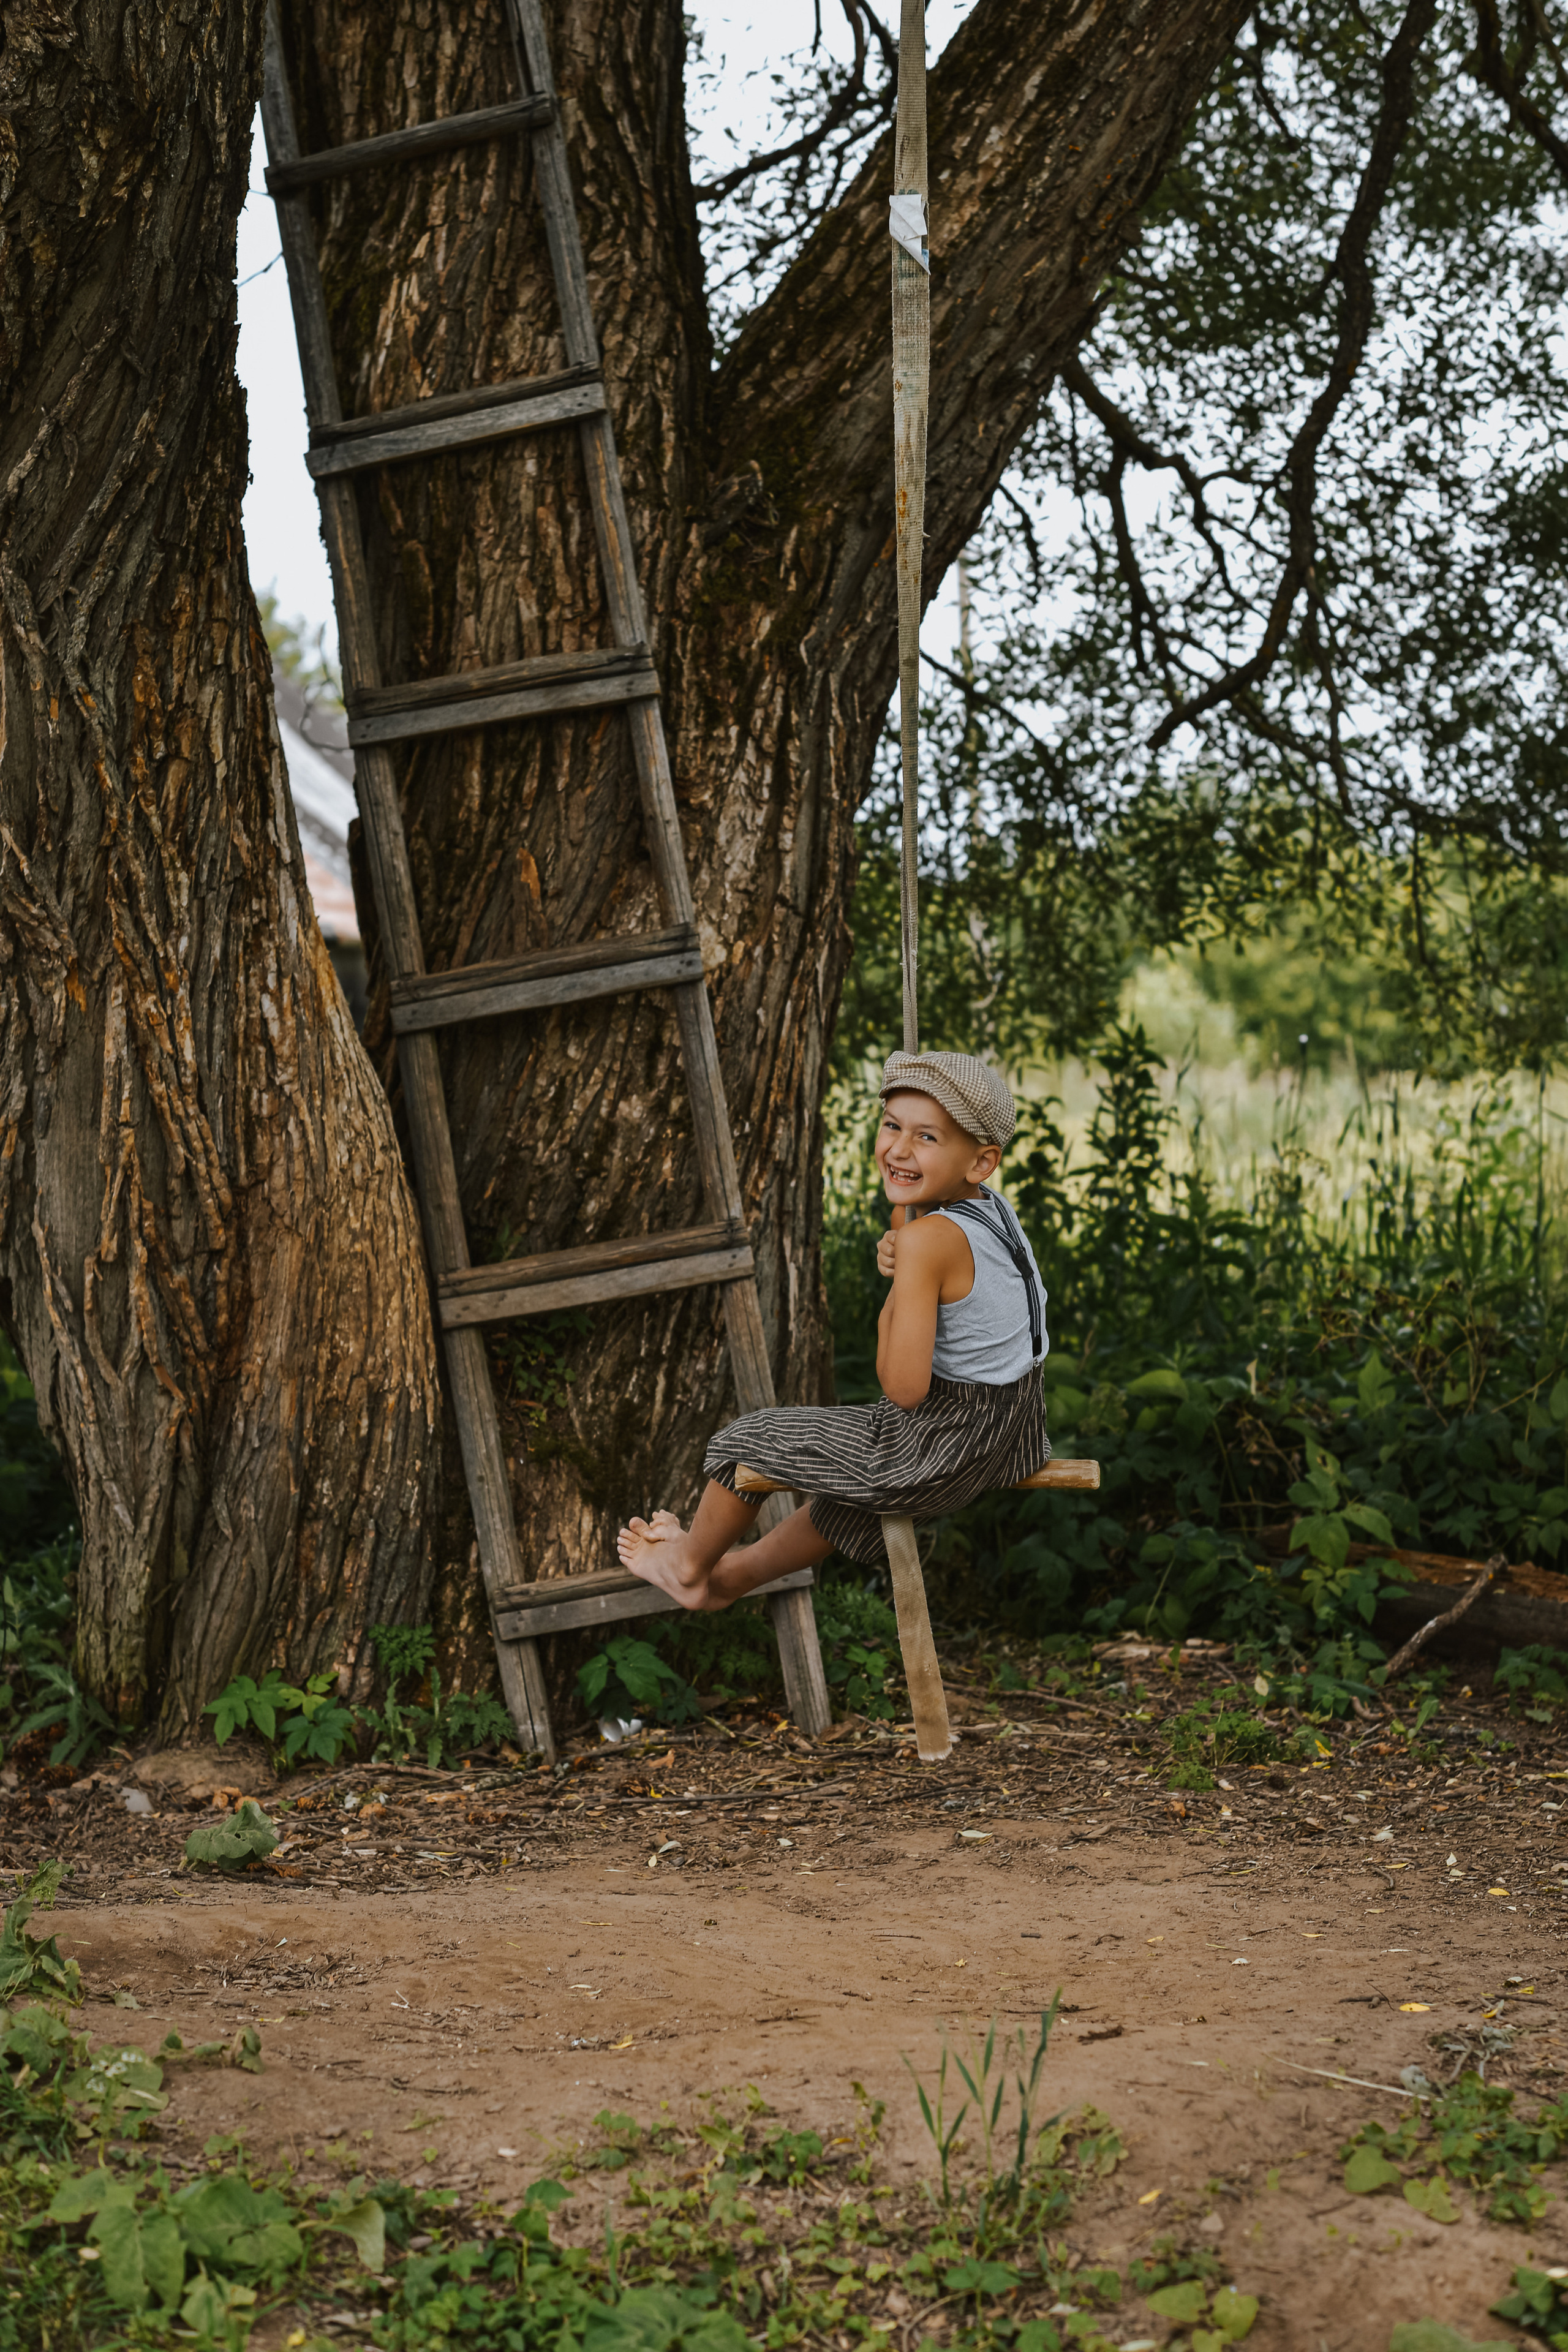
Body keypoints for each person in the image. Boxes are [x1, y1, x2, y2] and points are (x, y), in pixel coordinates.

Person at [616, 1050, 1050, 1610]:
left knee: (748, 1442)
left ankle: (687, 1565)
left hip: (945, 1444)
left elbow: (904, 1389)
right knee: (847, 1501)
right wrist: (906, 1248)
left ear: (981, 1161)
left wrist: (898, 1293)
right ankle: (728, 1579)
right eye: (892, 1126)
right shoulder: (993, 1211)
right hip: (1014, 1432)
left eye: (927, 1138)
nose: (898, 1150)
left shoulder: (929, 1244)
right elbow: (922, 1240)